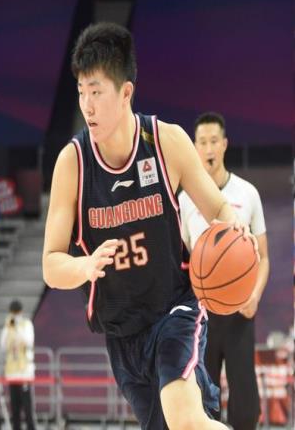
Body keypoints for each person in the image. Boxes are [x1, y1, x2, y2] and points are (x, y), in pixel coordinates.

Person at [42, 22, 257, 430]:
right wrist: (85, 266)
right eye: (81, 92)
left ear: (126, 93)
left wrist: (235, 227)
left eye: (97, 92)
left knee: (185, 420)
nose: (87, 106)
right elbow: (51, 265)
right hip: (122, 333)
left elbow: (218, 208)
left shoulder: (166, 142)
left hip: (174, 310)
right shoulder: (72, 164)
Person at [179, 112, 269, 430]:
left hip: (240, 310)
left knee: (245, 405)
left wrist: (254, 295)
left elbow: (264, 257)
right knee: (205, 404)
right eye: (202, 142)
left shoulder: (248, 193)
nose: (208, 148)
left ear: (225, 144)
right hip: (202, 315)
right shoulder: (184, 200)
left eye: (214, 141)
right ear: (194, 147)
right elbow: (184, 262)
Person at [0, 299, 36, 430]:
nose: (15, 315)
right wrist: (8, 327)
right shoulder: (8, 326)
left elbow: (29, 341)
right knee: (15, 408)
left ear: (21, 312)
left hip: (25, 371)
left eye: (16, 312)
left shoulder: (26, 324)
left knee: (27, 408)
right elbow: (2, 345)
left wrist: (17, 328)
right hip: (12, 372)